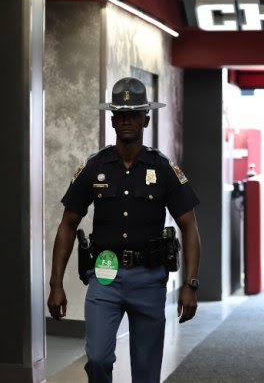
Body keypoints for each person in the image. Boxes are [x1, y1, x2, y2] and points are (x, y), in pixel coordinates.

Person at [47, 77, 202, 383]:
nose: (127, 120)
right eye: (121, 114)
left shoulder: (163, 169)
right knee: (99, 360)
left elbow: (190, 227)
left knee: (146, 372)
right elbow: (67, 225)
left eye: (134, 114)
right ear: (113, 119)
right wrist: (56, 284)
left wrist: (190, 284)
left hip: (149, 278)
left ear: (146, 117)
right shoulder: (95, 167)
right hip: (105, 275)